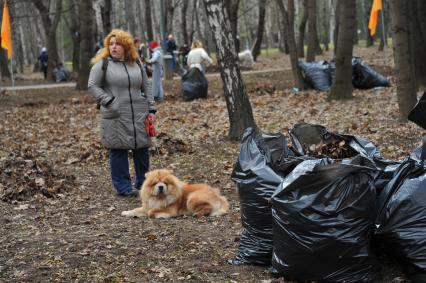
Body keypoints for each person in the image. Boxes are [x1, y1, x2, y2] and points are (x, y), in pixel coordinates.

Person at [88, 29, 156, 197]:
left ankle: (143, 183)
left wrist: (151, 109)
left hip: (139, 114)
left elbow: (146, 86)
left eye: (117, 44)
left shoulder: (137, 63)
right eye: (110, 44)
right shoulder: (102, 65)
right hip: (115, 114)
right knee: (118, 150)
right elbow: (92, 86)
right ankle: (123, 187)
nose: (113, 47)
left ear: (126, 46)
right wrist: (108, 101)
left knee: (142, 149)